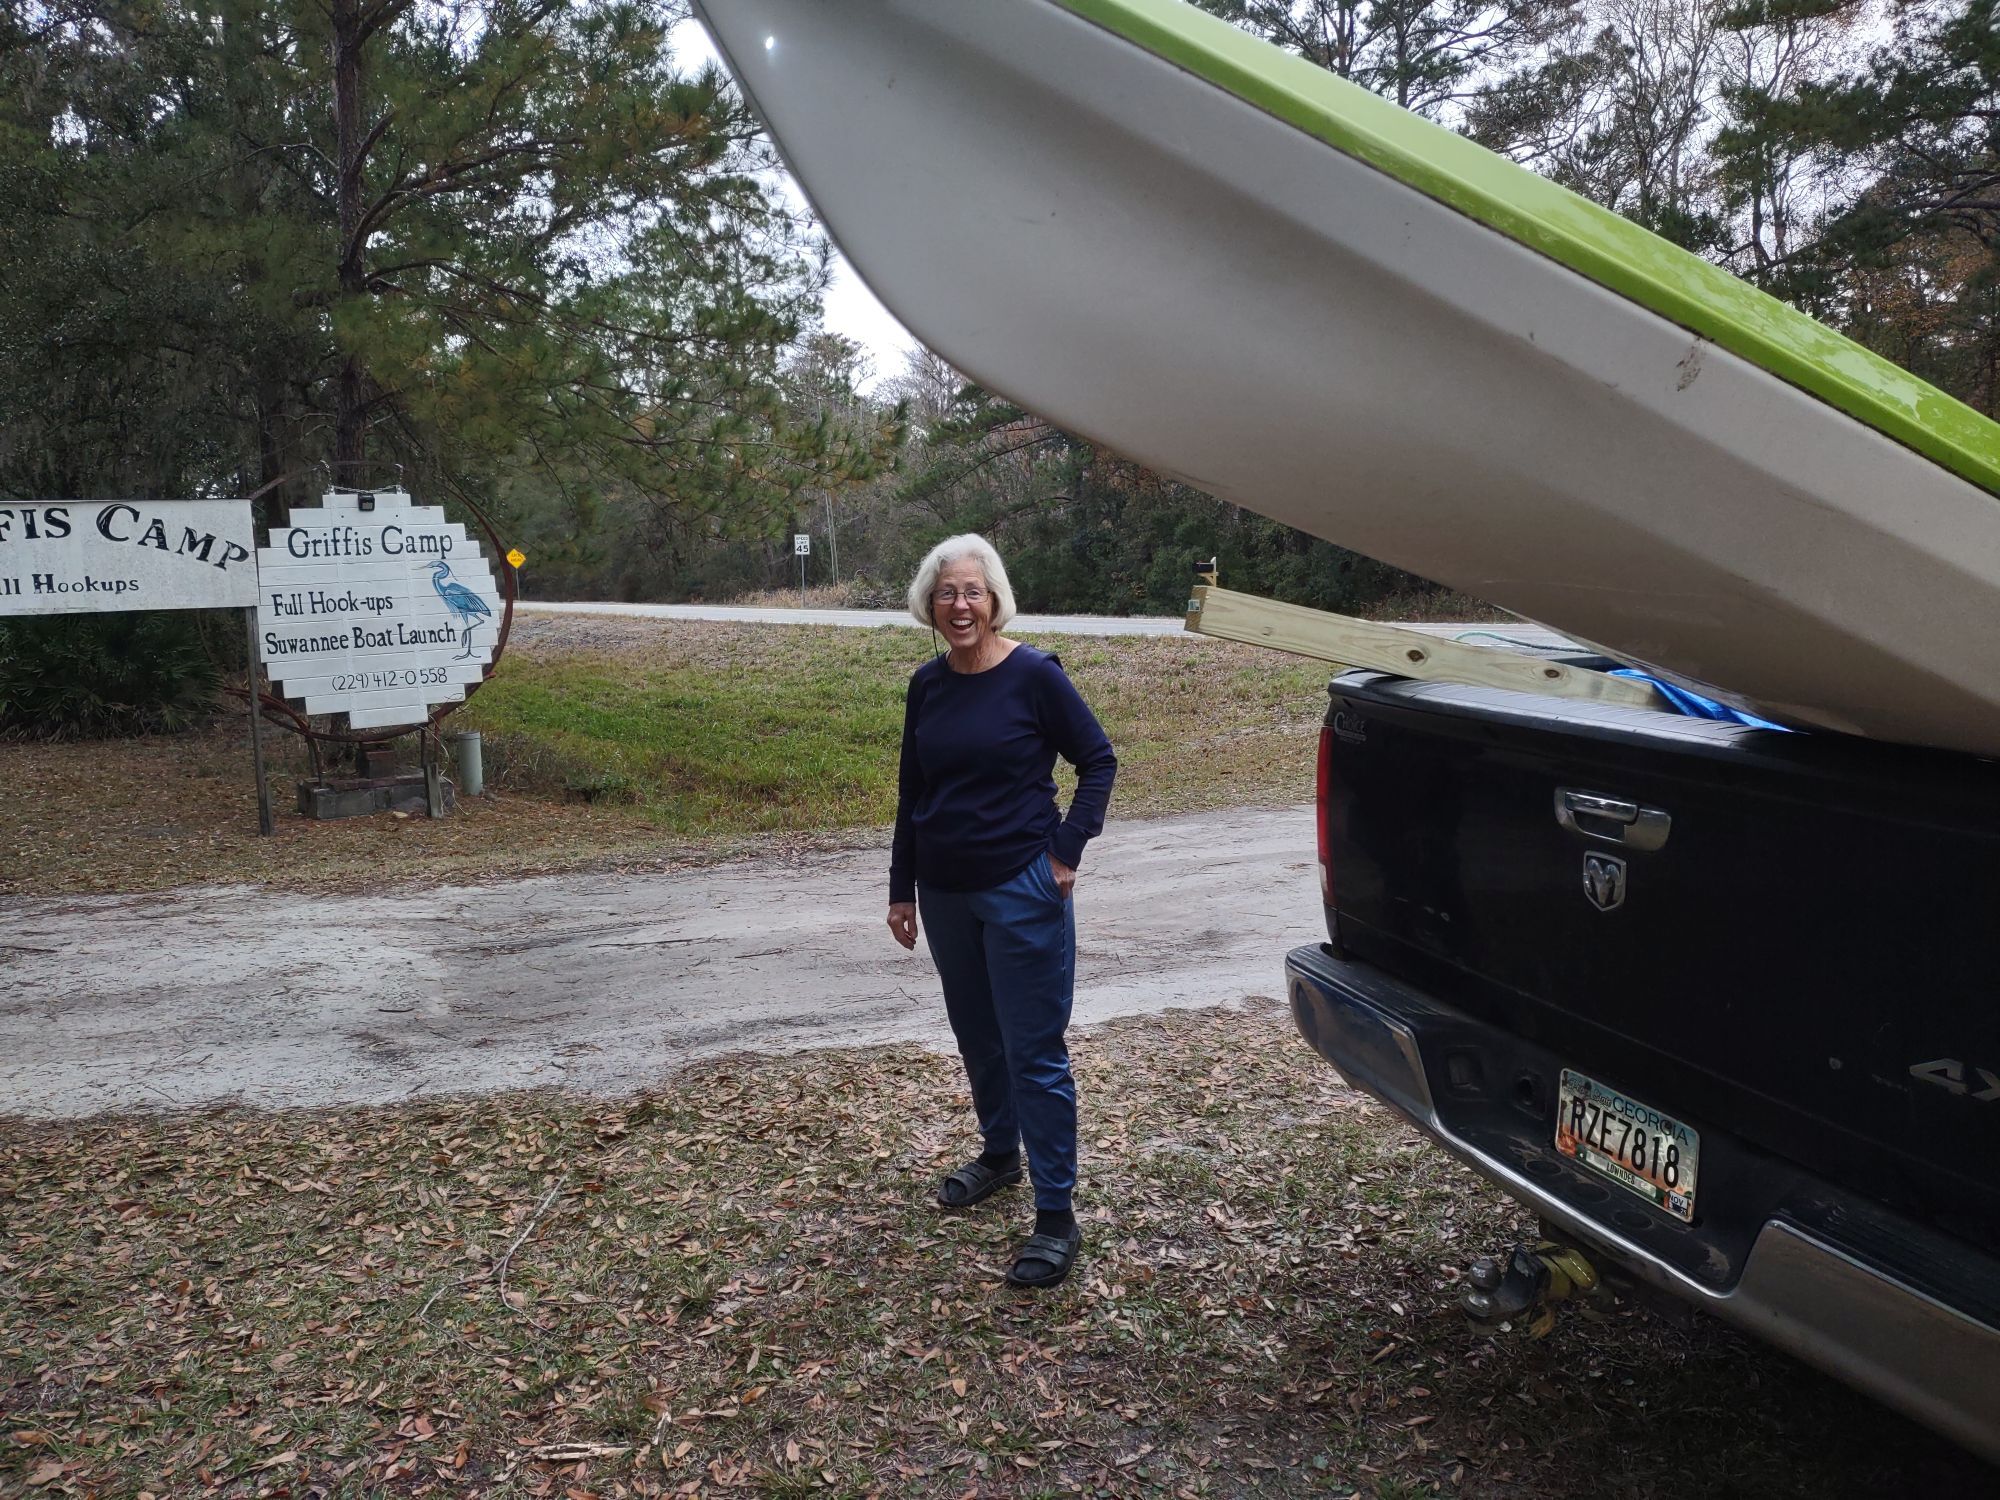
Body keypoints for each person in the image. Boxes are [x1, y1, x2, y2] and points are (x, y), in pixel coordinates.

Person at [886, 534, 1117, 1289]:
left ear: (994, 600)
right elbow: (913, 792)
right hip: (946, 892)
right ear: (931, 601)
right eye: (947, 593)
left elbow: (1098, 762)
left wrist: (1064, 854)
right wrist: (901, 886)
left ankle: (1056, 1214)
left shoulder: (1034, 675)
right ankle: (998, 1155)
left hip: (1022, 888)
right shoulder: (928, 684)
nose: (960, 606)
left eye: (972, 592)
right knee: (978, 1036)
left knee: (1034, 1050)